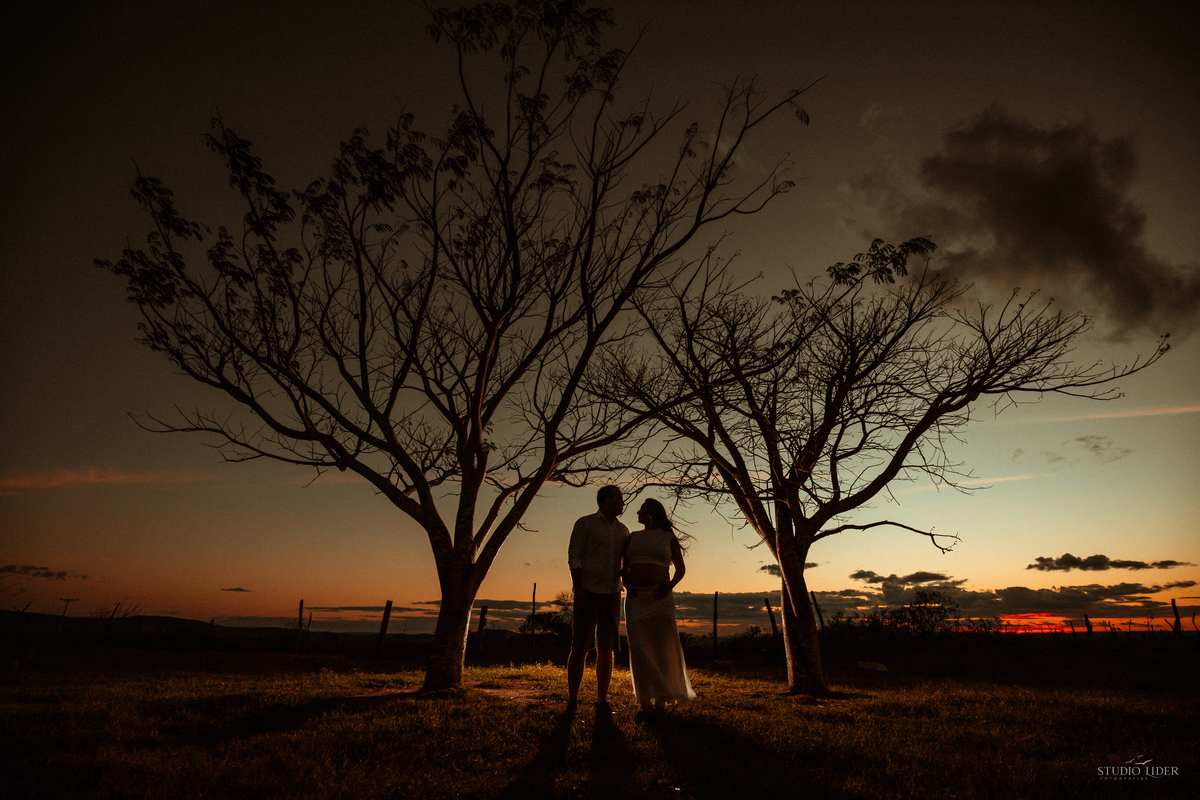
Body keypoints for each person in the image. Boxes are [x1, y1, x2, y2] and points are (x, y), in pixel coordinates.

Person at [622, 498, 696, 715]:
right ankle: (645, 699)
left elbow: (680, 569)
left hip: (660, 597)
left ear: (652, 513)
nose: (638, 511)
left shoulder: (668, 538)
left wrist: (670, 586)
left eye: (642, 509)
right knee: (638, 648)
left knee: (663, 648)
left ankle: (663, 699)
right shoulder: (632, 538)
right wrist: (627, 584)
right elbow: (623, 567)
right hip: (635, 599)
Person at [566, 485, 629, 710]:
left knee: (607, 647)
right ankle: (572, 698)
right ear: (607, 500)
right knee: (581, 645)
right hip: (588, 591)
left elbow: (625, 564)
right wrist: (578, 587)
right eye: (619, 498)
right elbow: (575, 556)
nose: (623, 502)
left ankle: (602, 699)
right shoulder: (585, 524)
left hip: (612, 593)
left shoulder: (623, 531)